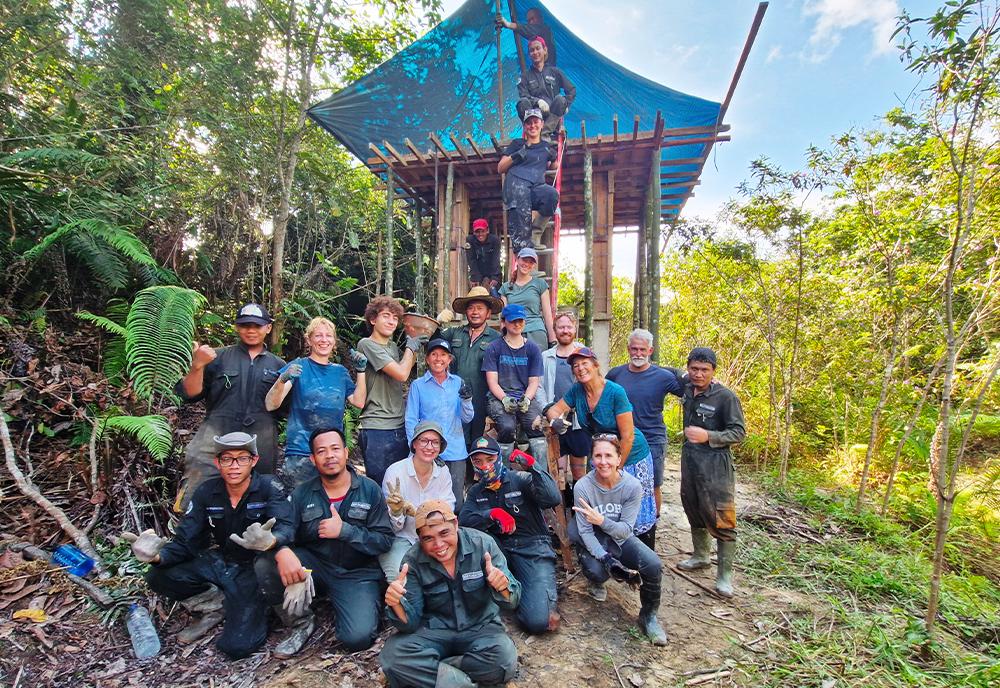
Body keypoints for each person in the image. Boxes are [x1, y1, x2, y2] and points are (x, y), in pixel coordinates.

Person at [122, 432, 290, 658]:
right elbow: (186, 542)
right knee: (158, 575)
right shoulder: (207, 492)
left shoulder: (270, 487)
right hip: (222, 561)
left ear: (254, 461)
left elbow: (288, 527)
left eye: (242, 458)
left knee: (236, 647)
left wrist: (272, 541)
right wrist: (155, 556)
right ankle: (215, 605)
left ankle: (253, 605)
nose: (234, 466)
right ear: (217, 463)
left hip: (254, 570)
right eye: (227, 459)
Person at [256, 427, 393, 656]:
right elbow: (285, 528)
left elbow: (384, 540)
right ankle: (299, 621)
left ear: (346, 453)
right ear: (313, 458)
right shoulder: (302, 493)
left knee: (357, 638)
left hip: (356, 573)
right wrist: (282, 549)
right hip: (315, 566)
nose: (329, 456)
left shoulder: (369, 490)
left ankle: (357, 603)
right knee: (266, 562)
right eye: (321, 451)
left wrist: (346, 531)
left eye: (335, 449)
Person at [379, 500, 521, 688]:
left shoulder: (483, 544)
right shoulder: (411, 561)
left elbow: (512, 601)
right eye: (428, 538)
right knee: (392, 658)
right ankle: (462, 682)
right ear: (420, 539)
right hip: (433, 632)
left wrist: (502, 586)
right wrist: (396, 603)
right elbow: (410, 623)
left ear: (456, 524)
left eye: (444, 533)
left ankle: (443, 671)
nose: (438, 544)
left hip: (480, 628)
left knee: (504, 658)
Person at [174, 303, 285, 509]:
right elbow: (189, 394)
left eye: (257, 326)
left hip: (260, 438)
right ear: (236, 327)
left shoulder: (279, 366)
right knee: (198, 484)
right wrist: (197, 365)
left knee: (257, 495)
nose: (251, 330)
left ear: (268, 328)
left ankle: (248, 537)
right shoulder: (217, 357)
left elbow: (286, 409)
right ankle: (188, 531)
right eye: (245, 325)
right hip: (216, 432)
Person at [545, 347, 658, 547]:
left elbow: (628, 436)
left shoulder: (615, 392)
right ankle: (607, 552)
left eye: (584, 363)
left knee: (633, 506)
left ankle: (642, 554)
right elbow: (555, 409)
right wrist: (555, 420)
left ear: (596, 365)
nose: (580, 369)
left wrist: (617, 468)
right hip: (602, 456)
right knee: (604, 506)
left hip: (630, 454)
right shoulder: (577, 391)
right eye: (575, 366)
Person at [570, 435, 667, 645]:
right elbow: (586, 532)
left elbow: (624, 531)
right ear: (591, 458)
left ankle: (648, 616)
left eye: (608, 456)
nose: (603, 461)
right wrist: (606, 559)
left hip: (619, 537)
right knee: (597, 571)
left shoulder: (632, 486)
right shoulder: (583, 487)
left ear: (618, 458)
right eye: (598, 456)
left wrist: (602, 520)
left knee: (653, 565)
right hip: (594, 537)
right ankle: (595, 577)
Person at [459, 436, 561, 634]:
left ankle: (532, 592)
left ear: (499, 458)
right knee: (478, 545)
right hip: (499, 551)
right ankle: (499, 598)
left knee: (538, 622)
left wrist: (533, 467)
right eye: (478, 462)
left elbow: (552, 498)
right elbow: (463, 522)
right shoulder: (475, 492)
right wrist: (490, 514)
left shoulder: (519, 479)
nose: (485, 466)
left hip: (533, 548)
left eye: (489, 460)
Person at [675, 347, 746, 598]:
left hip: (716, 465)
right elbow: (670, 372)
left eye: (704, 370)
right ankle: (701, 556)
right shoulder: (686, 387)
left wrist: (709, 436)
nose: (698, 374)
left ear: (714, 371)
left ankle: (725, 577)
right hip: (690, 461)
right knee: (693, 507)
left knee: (721, 516)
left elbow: (738, 432)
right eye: (694, 368)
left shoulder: (726, 397)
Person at [264, 317, 368, 487]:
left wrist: (361, 371)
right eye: (318, 336)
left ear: (334, 341)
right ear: (309, 339)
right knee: (298, 506)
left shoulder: (340, 372)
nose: (324, 340)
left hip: (331, 454)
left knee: (331, 506)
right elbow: (271, 404)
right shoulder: (299, 366)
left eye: (328, 336)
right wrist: (282, 379)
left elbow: (359, 402)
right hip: (301, 453)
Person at [607, 328, 683, 526]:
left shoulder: (663, 376)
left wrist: (708, 382)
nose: (638, 354)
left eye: (642, 350)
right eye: (634, 349)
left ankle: (652, 525)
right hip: (623, 437)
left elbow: (690, 389)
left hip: (652, 438)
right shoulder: (616, 374)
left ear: (650, 350)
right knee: (619, 479)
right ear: (628, 349)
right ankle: (624, 525)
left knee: (653, 484)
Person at [357, 295, 428, 488]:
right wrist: (411, 347)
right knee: (381, 487)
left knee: (400, 486)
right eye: (386, 316)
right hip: (377, 426)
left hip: (398, 424)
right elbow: (402, 374)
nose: (391, 321)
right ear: (373, 319)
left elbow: (403, 367)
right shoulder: (367, 344)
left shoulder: (393, 347)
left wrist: (414, 343)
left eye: (395, 318)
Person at [379, 421, 455, 580]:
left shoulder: (443, 472)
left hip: (435, 536)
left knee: (447, 574)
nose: (429, 446)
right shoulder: (395, 472)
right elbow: (392, 527)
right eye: (424, 441)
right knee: (400, 578)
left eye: (435, 442)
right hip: (402, 538)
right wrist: (396, 511)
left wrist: (418, 513)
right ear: (414, 444)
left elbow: (447, 512)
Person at [404, 339, 474, 507]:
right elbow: (411, 419)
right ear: (427, 359)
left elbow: (467, 418)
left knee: (455, 502)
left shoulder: (458, 382)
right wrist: (416, 448)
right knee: (428, 500)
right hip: (428, 451)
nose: (438, 359)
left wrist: (467, 400)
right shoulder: (418, 385)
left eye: (443, 355)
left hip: (456, 451)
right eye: (434, 354)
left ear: (449, 360)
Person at [437, 287, 503, 450]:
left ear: (488, 313)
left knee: (478, 442)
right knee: (454, 438)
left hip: (481, 398)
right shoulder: (454, 333)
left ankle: (472, 473)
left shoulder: (496, 339)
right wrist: (437, 324)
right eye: (471, 308)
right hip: (454, 397)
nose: (475, 312)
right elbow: (433, 345)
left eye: (480, 308)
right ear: (466, 311)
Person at [482, 304, 547, 464]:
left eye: (520, 321)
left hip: (524, 396)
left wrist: (527, 398)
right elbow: (492, 382)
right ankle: (504, 474)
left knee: (536, 426)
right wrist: (504, 399)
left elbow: (534, 382)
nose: (517, 324)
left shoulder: (532, 348)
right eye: (513, 321)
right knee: (507, 427)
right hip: (498, 397)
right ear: (503, 322)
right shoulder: (494, 348)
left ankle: (541, 476)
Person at [537, 310, 590, 482]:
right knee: (557, 472)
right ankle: (561, 506)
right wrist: (546, 409)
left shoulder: (585, 354)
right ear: (555, 329)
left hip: (579, 421)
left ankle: (578, 506)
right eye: (561, 327)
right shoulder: (546, 357)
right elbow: (539, 386)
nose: (565, 330)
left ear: (575, 329)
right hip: (555, 419)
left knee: (579, 471)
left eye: (569, 327)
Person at [497, 108, 558, 255]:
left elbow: (554, 166)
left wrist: (555, 156)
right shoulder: (517, 144)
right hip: (517, 185)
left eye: (535, 122)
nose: (532, 126)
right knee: (521, 227)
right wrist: (516, 156)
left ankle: (535, 235)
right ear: (524, 127)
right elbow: (500, 168)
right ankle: (525, 269)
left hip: (535, 187)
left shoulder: (545, 147)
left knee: (551, 195)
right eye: (529, 123)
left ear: (542, 124)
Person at [499, 246, 556, 351]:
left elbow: (547, 314)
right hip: (513, 330)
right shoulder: (505, 287)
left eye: (531, 262)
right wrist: (503, 336)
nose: (527, 264)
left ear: (534, 265)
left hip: (536, 330)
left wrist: (553, 340)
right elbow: (503, 317)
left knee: (537, 365)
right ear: (517, 259)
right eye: (524, 260)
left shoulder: (540, 284)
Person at [515, 37, 575, 137]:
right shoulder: (525, 76)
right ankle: (537, 133)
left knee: (560, 99)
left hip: (552, 117)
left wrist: (566, 105)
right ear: (529, 55)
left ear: (545, 50)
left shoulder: (555, 72)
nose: (535, 52)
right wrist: (537, 101)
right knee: (522, 103)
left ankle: (543, 135)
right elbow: (523, 94)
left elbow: (572, 90)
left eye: (538, 48)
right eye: (532, 50)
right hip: (534, 117)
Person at [463, 218, 502, 294]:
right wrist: (475, 277)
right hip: (478, 272)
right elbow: (471, 259)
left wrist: (495, 277)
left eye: (483, 231)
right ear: (474, 232)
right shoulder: (470, 240)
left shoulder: (495, 240)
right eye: (477, 232)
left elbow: (496, 259)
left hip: (492, 272)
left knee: (495, 294)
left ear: (487, 230)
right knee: (477, 294)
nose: (480, 234)